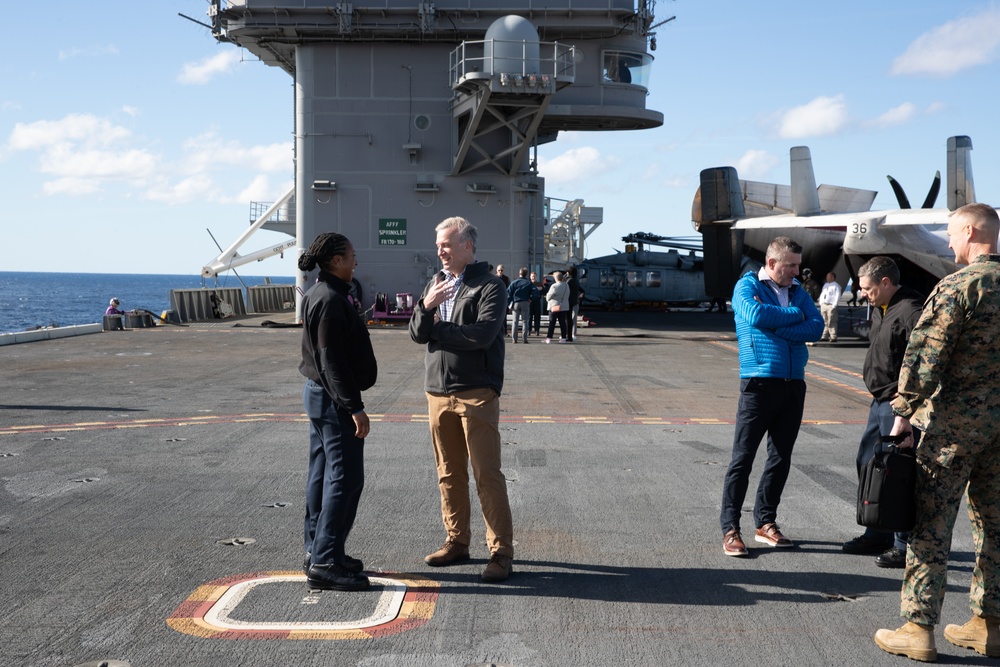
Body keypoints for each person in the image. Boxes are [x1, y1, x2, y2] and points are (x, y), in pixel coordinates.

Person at [874, 203, 1000, 661]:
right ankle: (989, 625)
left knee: (929, 526)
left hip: (952, 430)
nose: (948, 243)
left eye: (952, 234)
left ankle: (918, 628)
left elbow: (926, 357)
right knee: (995, 527)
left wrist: (903, 415)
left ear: (970, 231)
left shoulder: (958, 287)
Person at [409, 216, 515, 582]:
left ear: (468, 246)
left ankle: (500, 552)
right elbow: (416, 334)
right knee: (448, 474)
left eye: (447, 245)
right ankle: (457, 541)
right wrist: (426, 307)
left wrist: (438, 328)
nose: (441, 251)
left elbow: (482, 335)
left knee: (487, 474)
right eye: (439, 245)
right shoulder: (435, 284)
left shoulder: (490, 286)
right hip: (437, 392)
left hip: (475, 393)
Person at [720, 237, 824, 557]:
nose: (796, 271)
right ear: (772, 263)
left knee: (780, 458)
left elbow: (816, 327)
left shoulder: (797, 292)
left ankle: (765, 522)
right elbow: (755, 316)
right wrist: (795, 317)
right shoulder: (746, 286)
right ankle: (730, 528)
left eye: (797, 264)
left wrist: (779, 325)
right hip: (759, 383)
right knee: (743, 458)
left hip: (793, 384)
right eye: (790, 265)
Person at [298, 232, 378, 592]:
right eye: (351, 256)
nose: (355, 261)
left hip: (320, 395)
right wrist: (354, 407)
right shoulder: (330, 300)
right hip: (334, 399)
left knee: (323, 474)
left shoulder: (320, 293)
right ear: (335, 261)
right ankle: (326, 562)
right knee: (346, 479)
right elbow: (331, 362)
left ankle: (319, 550)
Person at [841, 257, 924, 568]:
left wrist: (906, 404)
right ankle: (878, 530)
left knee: (897, 473)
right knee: (869, 464)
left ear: (886, 283)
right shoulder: (881, 308)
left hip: (898, 405)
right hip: (879, 403)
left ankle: (903, 544)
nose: (864, 294)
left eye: (868, 289)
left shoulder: (911, 311)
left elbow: (922, 362)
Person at [507, 267, 536, 344]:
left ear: (519, 274)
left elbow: (508, 293)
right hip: (525, 302)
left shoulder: (514, 282)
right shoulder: (528, 283)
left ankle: (514, 339)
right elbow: (535, 291)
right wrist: (530, 298)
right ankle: (524, 339)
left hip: (516, 303)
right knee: (525, 321)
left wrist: (510, 303)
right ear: (526, 274)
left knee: (515, 321)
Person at [545, 271, 570, 343]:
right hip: (564, 306)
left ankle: (549, 338)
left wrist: (547, 295)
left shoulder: (554, 286)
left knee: (552, 323)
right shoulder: (566, 285)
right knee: (562, 323)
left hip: (554, 306)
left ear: (556, 278)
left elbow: (548, 297)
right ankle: (563, 338)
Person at [818, 271, 842, 342]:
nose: (826, 278)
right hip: (824, 305)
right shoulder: (825, 285)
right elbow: (822, 294)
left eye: (828, 276)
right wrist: (821, 302)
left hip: (831, 305)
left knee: (832, 320)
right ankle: (824, 336)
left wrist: (834, 305)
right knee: (824, 320)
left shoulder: (836, 286)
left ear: (832, 277)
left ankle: (833, 336)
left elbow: (837, 296)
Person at [566, 265, 583, 342]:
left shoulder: (569, 280)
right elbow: (582, 289)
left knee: (568, 319)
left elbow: (565, 288)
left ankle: (567, 335)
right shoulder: (576, 280)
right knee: (574, 319)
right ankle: (573, 334)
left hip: (569, 302)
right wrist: (581, 294)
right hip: (576, 301)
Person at [529, 270, 543, 336]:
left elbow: (544, 291)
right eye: (532, 276)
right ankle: (529, 330)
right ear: (530, 277)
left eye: (534, 276)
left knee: (537, 317)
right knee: (529, 317)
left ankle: (537, 330)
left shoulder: (539, 284)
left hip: (537, 301)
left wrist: (542, 288)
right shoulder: (528, 284)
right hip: (530, 302)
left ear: (536, 277)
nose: (533, 278)